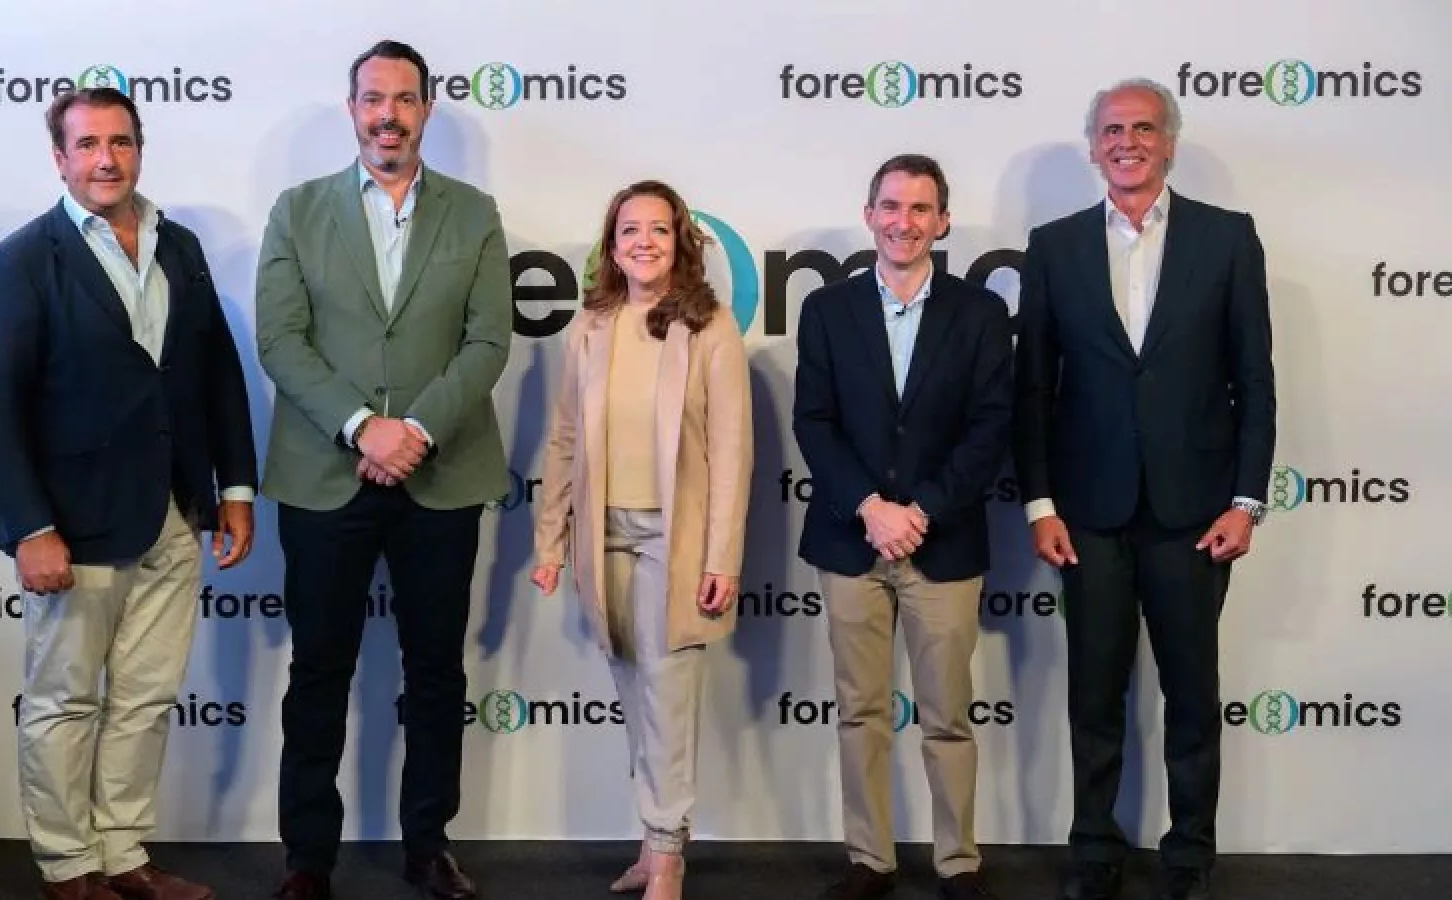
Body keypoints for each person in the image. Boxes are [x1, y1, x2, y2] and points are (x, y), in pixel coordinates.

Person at [0, 86, 258, 900]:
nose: (106, 159)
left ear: (139, 149)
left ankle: (124, 854)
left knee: (146, 699)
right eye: (88, 145)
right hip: (75, 524)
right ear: (60, 158)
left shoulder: (178, 245)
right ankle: (68, 865)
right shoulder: (22, 260)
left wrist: (235, 488)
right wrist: (30, 527)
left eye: (121, 142)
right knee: (63, 701)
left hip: (175, 513)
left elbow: (216, 374)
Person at [254, 39, 513, 900]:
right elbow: (279, 339)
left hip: (442, 477)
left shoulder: (474, 213)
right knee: (318, 671)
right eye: (373, 99)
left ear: (426, 108)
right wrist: (365, 428)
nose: (388, 115)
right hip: (325, 476)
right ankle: (307, 859)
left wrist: (417, 432)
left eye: (404, 99)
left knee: (435, 671)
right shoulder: (298, 210)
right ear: (352, 108)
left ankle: (428, 845)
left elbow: (488, 341)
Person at [1012, 78, 1275, 900]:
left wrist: (1247, 500)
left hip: (1195, 512)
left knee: (1192, 695)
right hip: (1086, 514)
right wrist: (1040, 503)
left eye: (1144, 128)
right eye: (1113, 130)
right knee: (1094, 693)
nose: (1127, 142)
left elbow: (1254, 381)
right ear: (1094, 148)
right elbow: (1033, 387)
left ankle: (1190, 854)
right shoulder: (1054, 246)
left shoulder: (1227, 238)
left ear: (1170, 143)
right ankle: (1094, 848)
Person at [792, 154, 1013, 900]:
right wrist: (869, 506)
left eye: (920, 209)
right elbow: (814, 422)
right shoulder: (827, 310)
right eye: (891, 206)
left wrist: (920, 511)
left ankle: (958, 861)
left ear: (942, 222)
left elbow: (990, 427)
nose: (904, 222)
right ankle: (870, 859)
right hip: (850, 541)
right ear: (869, 216)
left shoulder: (980, 314)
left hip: (942, 544)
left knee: (948, 715)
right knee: (860, 711)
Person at [530, 180, 753, 900]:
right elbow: (564, 440)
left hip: (674, 541)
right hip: (604, 537)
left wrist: (721, 558)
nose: (644, 242)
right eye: (630, 230)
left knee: (669, 703)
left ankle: (667, 857)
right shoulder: (590, 325)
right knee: (636, 700)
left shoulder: (711, 326)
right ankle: (653, 843)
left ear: (679, 241)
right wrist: (550, 543)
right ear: (612, 245)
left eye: (659, 229)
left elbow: (732, 452)